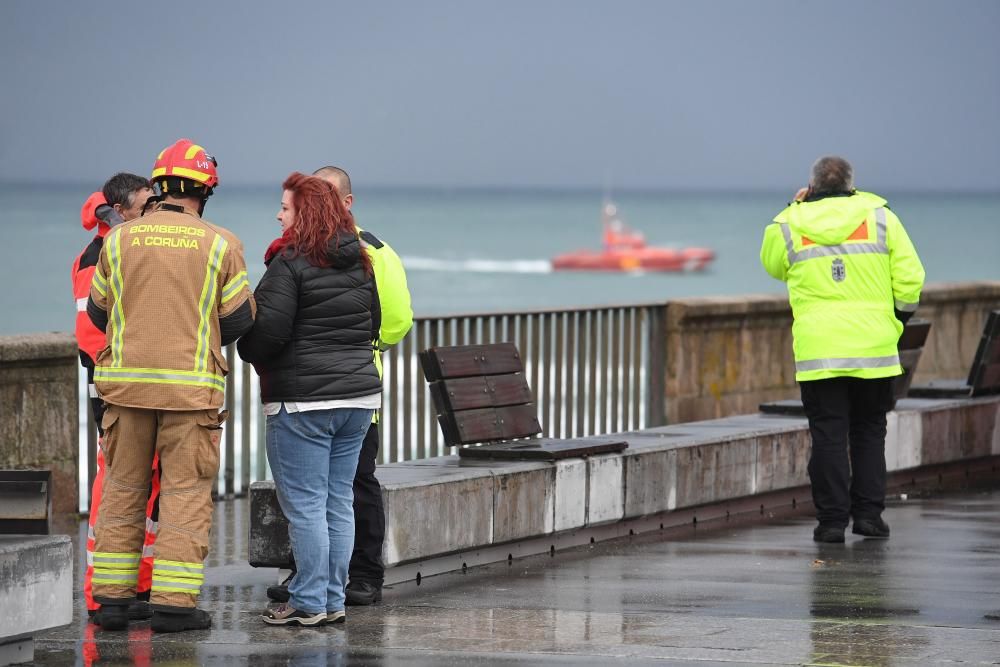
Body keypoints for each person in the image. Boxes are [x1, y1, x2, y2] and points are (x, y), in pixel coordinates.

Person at [88, 139, 255, 633]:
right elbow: (240, 319)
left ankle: (113, 601)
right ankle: (174, 604)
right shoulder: (221, 243)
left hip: (124, 390)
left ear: (158, 186)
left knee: (122, 490)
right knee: (184, 493)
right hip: (190, 393)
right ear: (205, 191)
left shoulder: (119, 240)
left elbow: (98, 312)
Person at [238, 172, 382, 626]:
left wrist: (245, 347)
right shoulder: (361, 262)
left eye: (286, 207)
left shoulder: (290, 264)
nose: (279, 214)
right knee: (337, 500)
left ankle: (306, 600)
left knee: (304, 506)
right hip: (358, 399)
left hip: (303, 404)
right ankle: (332, 599)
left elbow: (267, 335)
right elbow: (373, 323)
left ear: (305, 213)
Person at [264, 166, 412, 607]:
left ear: (345, 202)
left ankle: (345, 582)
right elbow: (385, 318)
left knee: (333, 495)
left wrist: (353, 348)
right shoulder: (360, 253)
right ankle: (327, 584)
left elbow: (397, 320)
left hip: (318, 396)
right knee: (336, 496)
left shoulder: (350, 253)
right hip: (360, 393)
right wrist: (358, 352)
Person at [760, 156, 925, 544]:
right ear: (852, 184)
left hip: (820, 353)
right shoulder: (881, 217)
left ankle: (831, 522)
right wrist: (896, 321)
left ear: (811, 186)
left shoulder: (788, 223)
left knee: (828, 435)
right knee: (869, 431)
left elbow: (772, 266)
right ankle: (869, 516)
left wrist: (793, 205)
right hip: (874, 348)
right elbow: (910, 280)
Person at [73, 173, 161, 624]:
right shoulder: (98, 254)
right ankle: (99, 593)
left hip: (135, 386)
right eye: (147, 204)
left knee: (147, 489)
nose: (156, 210)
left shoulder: (128, 244)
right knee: (117, 487)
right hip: (113, 389)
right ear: (122, 209)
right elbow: (90, 335)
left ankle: (137, 584)